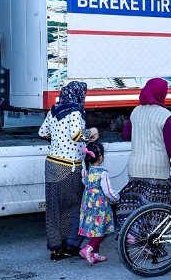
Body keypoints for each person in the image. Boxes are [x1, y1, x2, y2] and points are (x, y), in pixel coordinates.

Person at [39, 81, 99, 261]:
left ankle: (55, 248)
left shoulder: (54, 110)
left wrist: (58, 138)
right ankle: (70, 246)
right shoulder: (75, 111)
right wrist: (92, 132)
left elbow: (42, 133)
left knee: (54, 208)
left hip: (51, 164)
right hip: (69, 167)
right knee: (74, 207)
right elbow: (76, 134)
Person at [117, 78, 171, 226]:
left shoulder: (136, 111)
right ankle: (147, 240)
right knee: (154, 209)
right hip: (157, 169)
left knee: (135, 204)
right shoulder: (165, 115)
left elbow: (126, 135)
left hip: (135, 167)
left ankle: (131, 233)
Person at [77, 142, 119, 265]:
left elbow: (85, 183)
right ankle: (88, 249)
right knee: (101, 229)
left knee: (94, 228)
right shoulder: (103, 173)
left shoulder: (87, 171)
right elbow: (108, 191)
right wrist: (116, 197)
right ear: (101, 157)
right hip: (100, 207)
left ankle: (95, 254)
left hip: (88, 204)